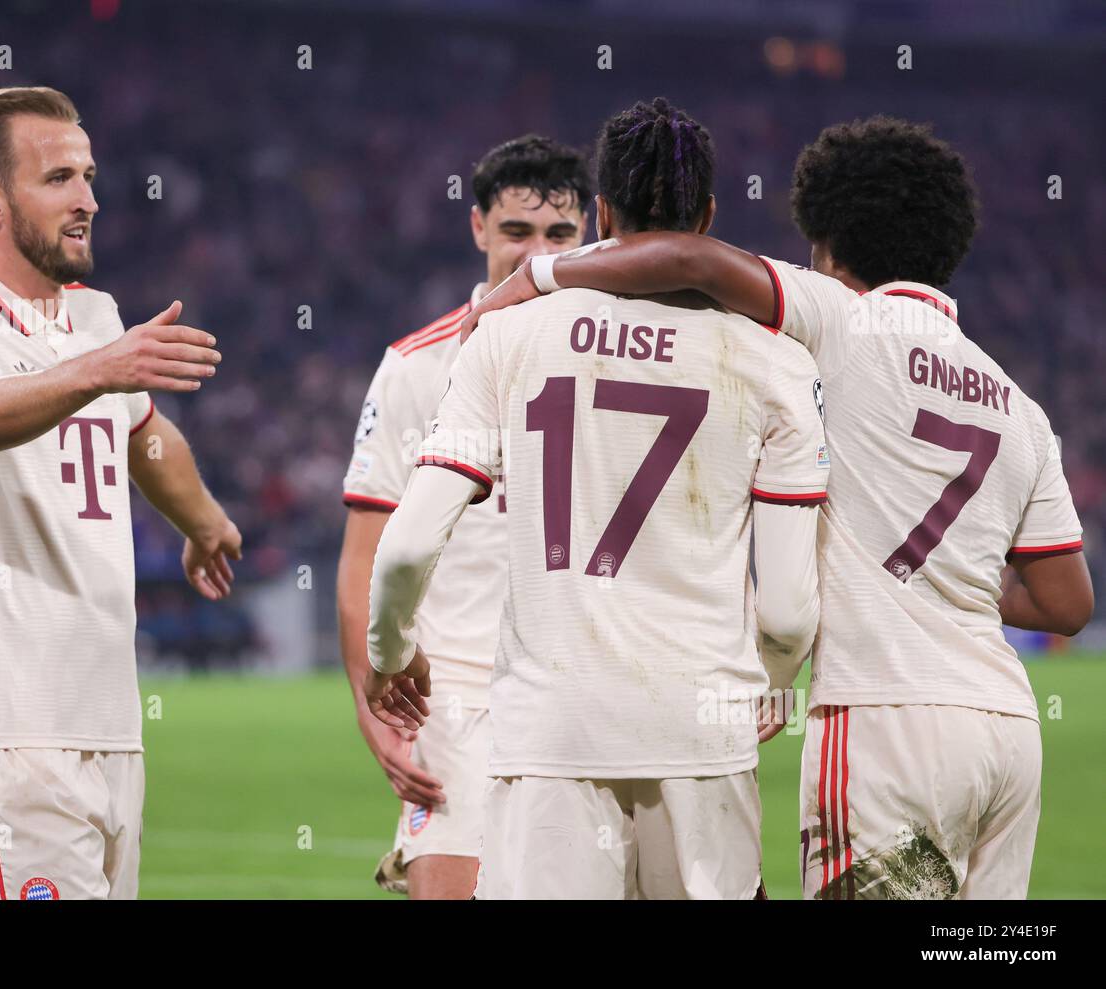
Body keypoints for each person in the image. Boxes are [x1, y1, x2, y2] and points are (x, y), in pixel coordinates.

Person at [461, 115, 1094, 898]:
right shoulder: (1019, 405)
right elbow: (1067, 602)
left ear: (827, 244)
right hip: (1008, 731)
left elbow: (689, 256)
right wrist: (945, 570)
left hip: (884, 720)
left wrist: (541, 278)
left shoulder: (842, 320)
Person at [364, 99, 826, 899]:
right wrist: (768, 682)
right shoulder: (776, 362)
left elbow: (404, 545)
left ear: (600, 213)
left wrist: (390, 654)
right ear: (709, 215)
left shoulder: (505, 334)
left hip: (549, 737)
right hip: (700, 732)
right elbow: (786, 611)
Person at [0, 86, 242, 900]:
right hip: (6, 728)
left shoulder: (96, 316)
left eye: (88, 176)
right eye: (59, 179)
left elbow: (144, 433)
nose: (89, 199)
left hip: (110, 725)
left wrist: (204, 520)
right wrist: (100, 367)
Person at [337, 135, 590, 898]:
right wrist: (369, 702)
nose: (534, 252)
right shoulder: (416, 366)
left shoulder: (622, 360)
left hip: (585, 689)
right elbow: (364, 557)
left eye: (559, 235)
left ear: (591, 237)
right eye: (517, 231)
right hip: (455, 696)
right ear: (478, 227)